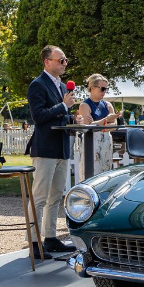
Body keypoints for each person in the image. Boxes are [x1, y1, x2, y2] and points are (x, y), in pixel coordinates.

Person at [26, 45, 79, 258]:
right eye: (61, 60)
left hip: (61, 147)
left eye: (65, 60)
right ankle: (33, 243)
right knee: (39, 198)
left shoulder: (61, 86)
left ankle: (50, 238)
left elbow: (58, 117)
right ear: (47, 62)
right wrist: (64, 107)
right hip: (45, 148)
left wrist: (73, 119)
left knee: (55, 196)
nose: (65, 63)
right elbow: (38, 116)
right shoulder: (37, 85)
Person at [77, 74, 120, 178]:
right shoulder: (84, 105)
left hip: (106, 141)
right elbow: (87, 127)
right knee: (90, 173)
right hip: (91, 142)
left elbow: (114, 126)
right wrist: (106, 120)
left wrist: (97, 124)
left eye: (106, 89)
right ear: (92, 88)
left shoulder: (108, 105)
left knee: (106, 173)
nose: (104, 92)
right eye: (102, 89)